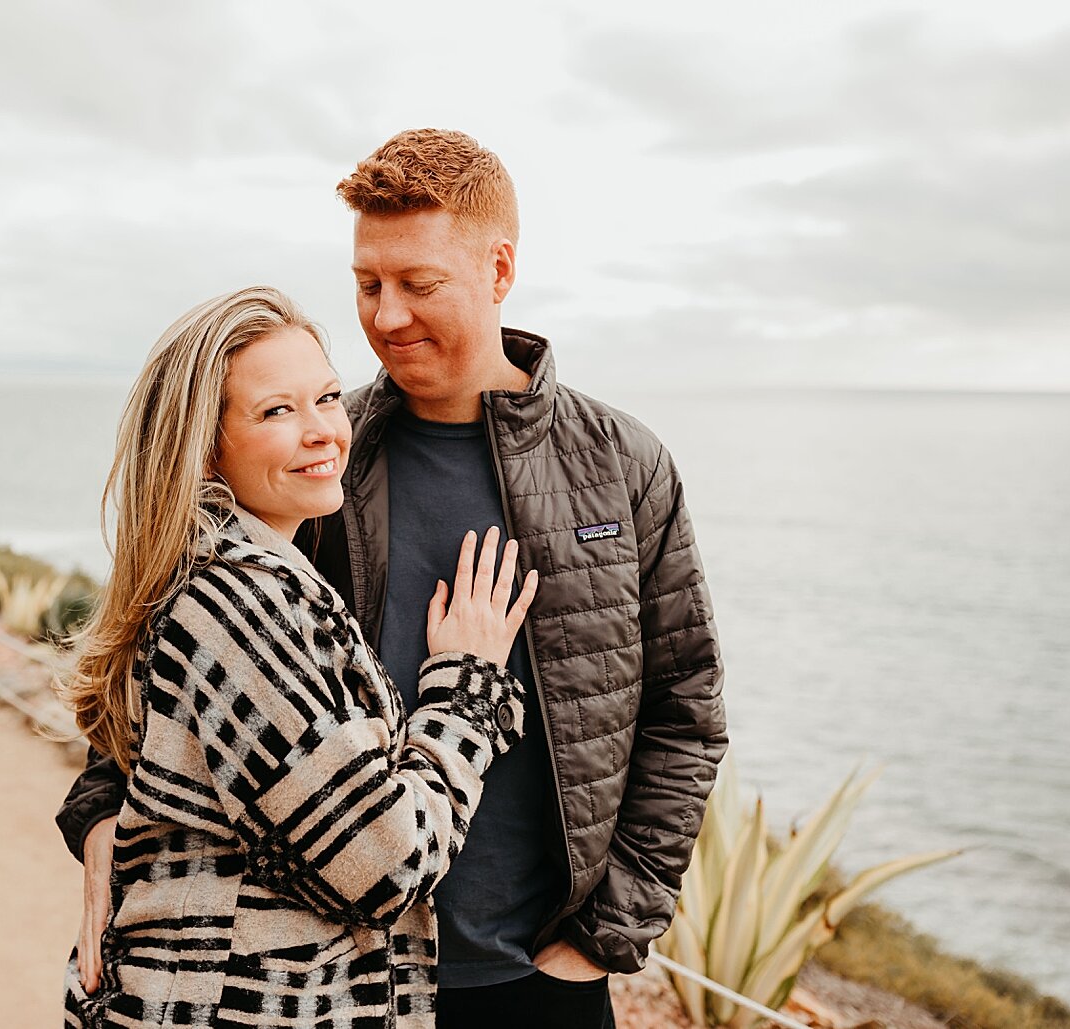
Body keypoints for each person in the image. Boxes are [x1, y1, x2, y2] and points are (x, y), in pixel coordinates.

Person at [59, 130, 729, 1029]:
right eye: (367, 284)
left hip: (542, 978)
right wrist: (104, 809)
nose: (385, 316)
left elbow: (685, 706)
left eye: (418, 284)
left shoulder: (623, 464)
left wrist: (605, 938)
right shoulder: (322, 462)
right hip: (340, 983)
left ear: (498, 270)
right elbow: (180, 635)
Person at [58, 284, 541, 1028]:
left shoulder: (241, 568)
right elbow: (382, 864)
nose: (323, 430)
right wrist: (464, 692)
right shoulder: (238, 605)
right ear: (204, 444)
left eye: (324, 397)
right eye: (276, 410)